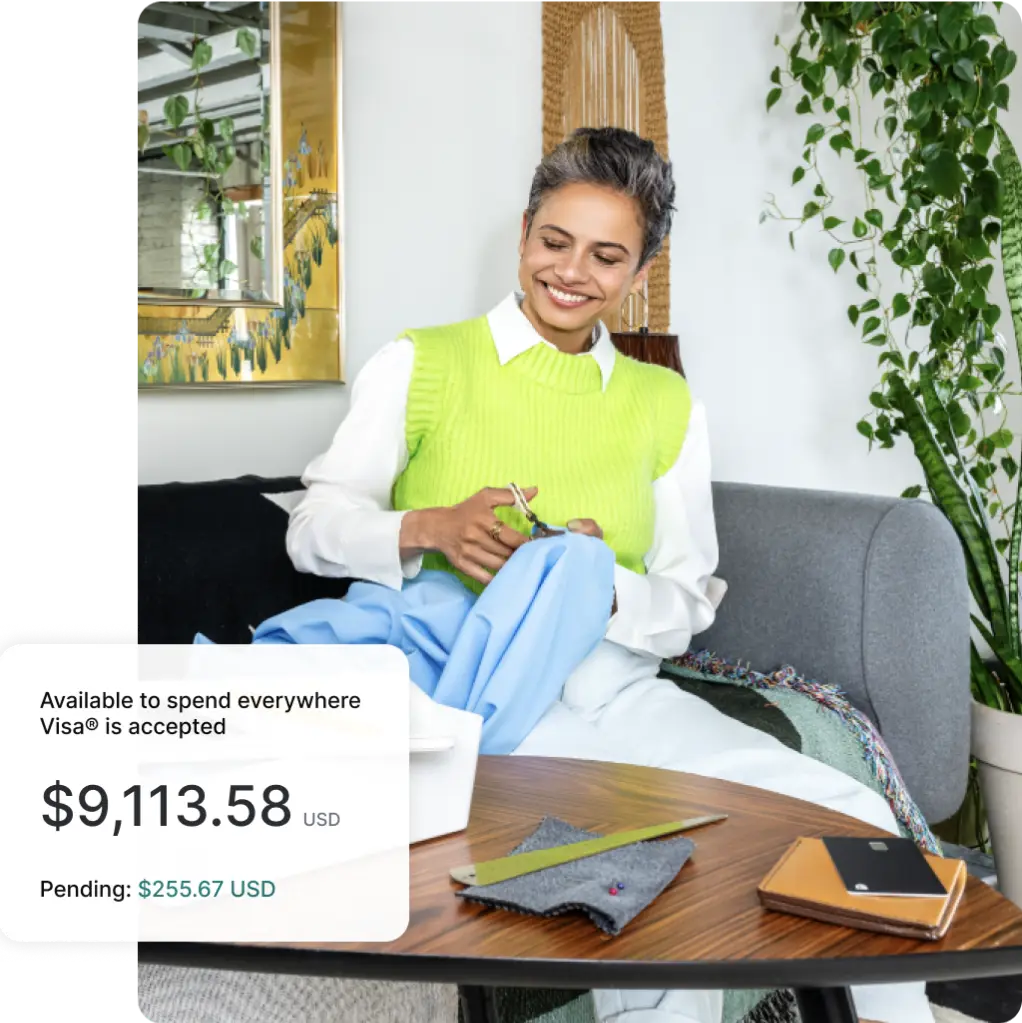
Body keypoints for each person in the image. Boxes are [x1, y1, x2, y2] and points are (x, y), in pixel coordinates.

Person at [286, 127, 933, 1023]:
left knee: (855, 813)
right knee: (651, 881)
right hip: (484, 696)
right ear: (522, 234)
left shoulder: (662, 403)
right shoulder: (422, 362)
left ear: (639, 273)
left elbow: (685, 594)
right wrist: (428, 527)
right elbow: (312, 529)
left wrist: (596, 573)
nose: (571, 272)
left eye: (607, 255)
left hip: (617, 688)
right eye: (555, 241)